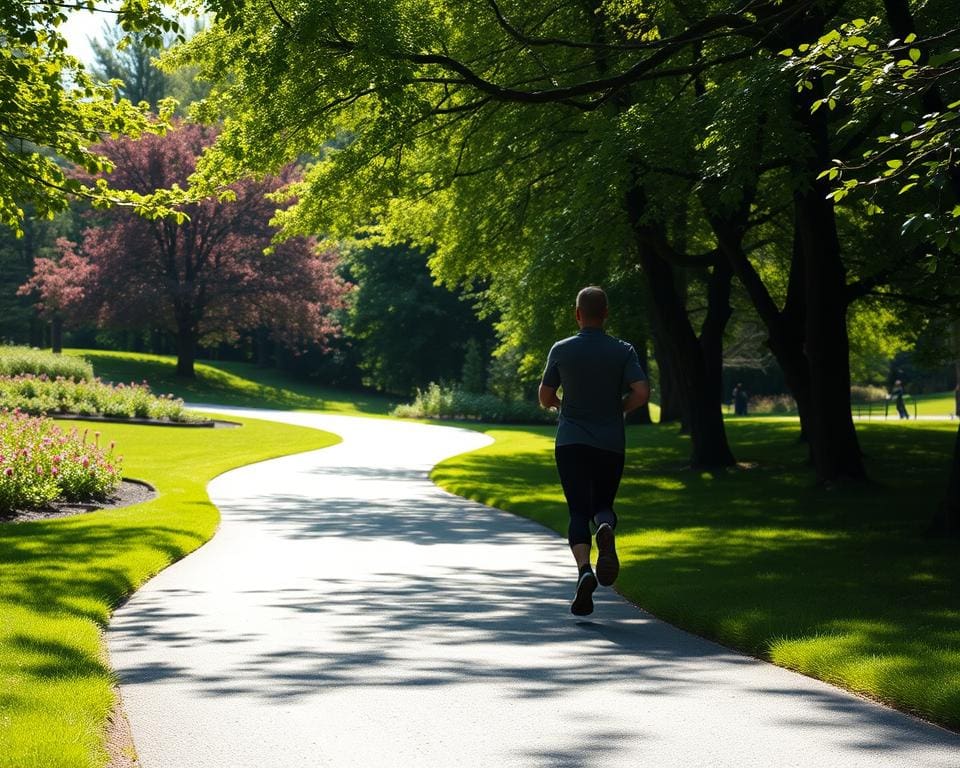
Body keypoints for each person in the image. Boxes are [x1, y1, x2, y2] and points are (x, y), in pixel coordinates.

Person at [538, 286, 650, 616]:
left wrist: (562, 405)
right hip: (609, 442)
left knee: (577, 511)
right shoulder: (623, 350)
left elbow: (545, 396)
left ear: (577, 314)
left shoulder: (562, 349)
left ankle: (584, 570)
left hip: (571, 440)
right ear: (606, 314)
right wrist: (621, 409)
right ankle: (606, 528)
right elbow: (641, 392)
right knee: (603, 504)